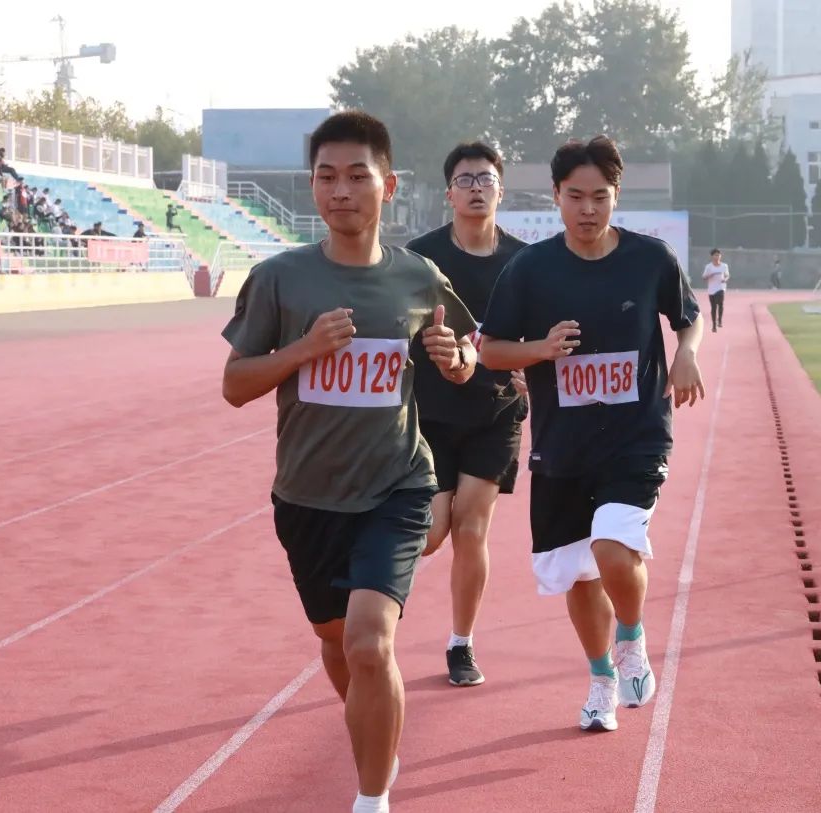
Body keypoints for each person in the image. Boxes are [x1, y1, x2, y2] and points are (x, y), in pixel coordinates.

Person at [220, 111, 479, 813]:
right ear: (312, 187)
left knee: (369, 642)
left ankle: (372, 797)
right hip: (307, 497)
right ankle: (375, 728)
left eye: (357, 176)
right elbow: (235, 385)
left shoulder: (418, 277)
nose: (341, 191)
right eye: (326, 176)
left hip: (397, 485)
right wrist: (303, 350)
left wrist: (457, 360)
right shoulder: (280, 279)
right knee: (338, 644)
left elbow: (467, 348)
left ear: (388, 185)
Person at [480, 136, 704, 733]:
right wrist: (541, 349)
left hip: (636, 436)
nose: (587, 209)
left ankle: (631, 637)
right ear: (556, 195)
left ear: (616, 196)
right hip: (563, 445)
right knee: (578, 574)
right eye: (575, 196)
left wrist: (686, 352)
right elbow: (491, 351)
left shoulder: (650, 259)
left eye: (599, 196)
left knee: (611, 546)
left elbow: (689, 318)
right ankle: (602, 678)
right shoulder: (529, 269)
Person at [405, 142, 528, 687]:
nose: (476, 188)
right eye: (465, 180)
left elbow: (538, 334)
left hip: (495, 411)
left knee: (472, 528)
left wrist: (530, 367)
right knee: (433, 533)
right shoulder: (421, 260)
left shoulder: (524, 262)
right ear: (448, 194)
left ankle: (461, 644)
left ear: (501, 189)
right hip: (430, 415)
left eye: (485, 179)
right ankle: (373, 602)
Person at [702, 248, 729, 332]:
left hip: (721, 287)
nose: (717, 257)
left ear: (720, 256)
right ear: (712, 256)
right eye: (715, 255)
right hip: (711, 289)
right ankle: (714, 325)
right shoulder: (709, 267)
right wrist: (710, 275)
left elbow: (727, 275)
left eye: (718, 255)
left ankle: (719, 320)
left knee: (720, 303)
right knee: (713, 307)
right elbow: (704, 277)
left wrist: (725, 279)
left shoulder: (724, 266)